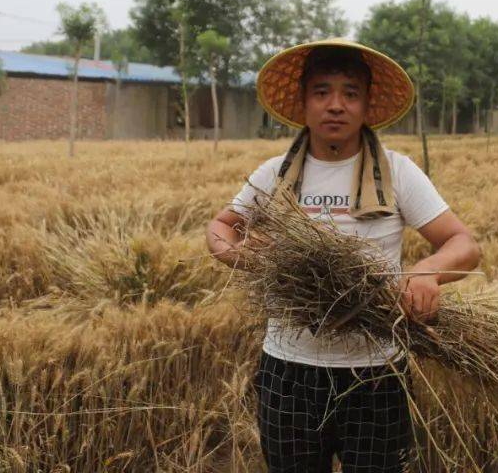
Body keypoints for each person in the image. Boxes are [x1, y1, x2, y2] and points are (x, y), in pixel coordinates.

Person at [205, 40, 482, 473]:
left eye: (350, 93)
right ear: (303, 103)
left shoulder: (397, 172)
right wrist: (244, 255)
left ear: (367, 104)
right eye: (322, 92)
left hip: (375, 370)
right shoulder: (273, 174)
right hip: (289, 368)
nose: (336, 105)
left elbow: (463, 244)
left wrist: (425, 273)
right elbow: (220, 227)